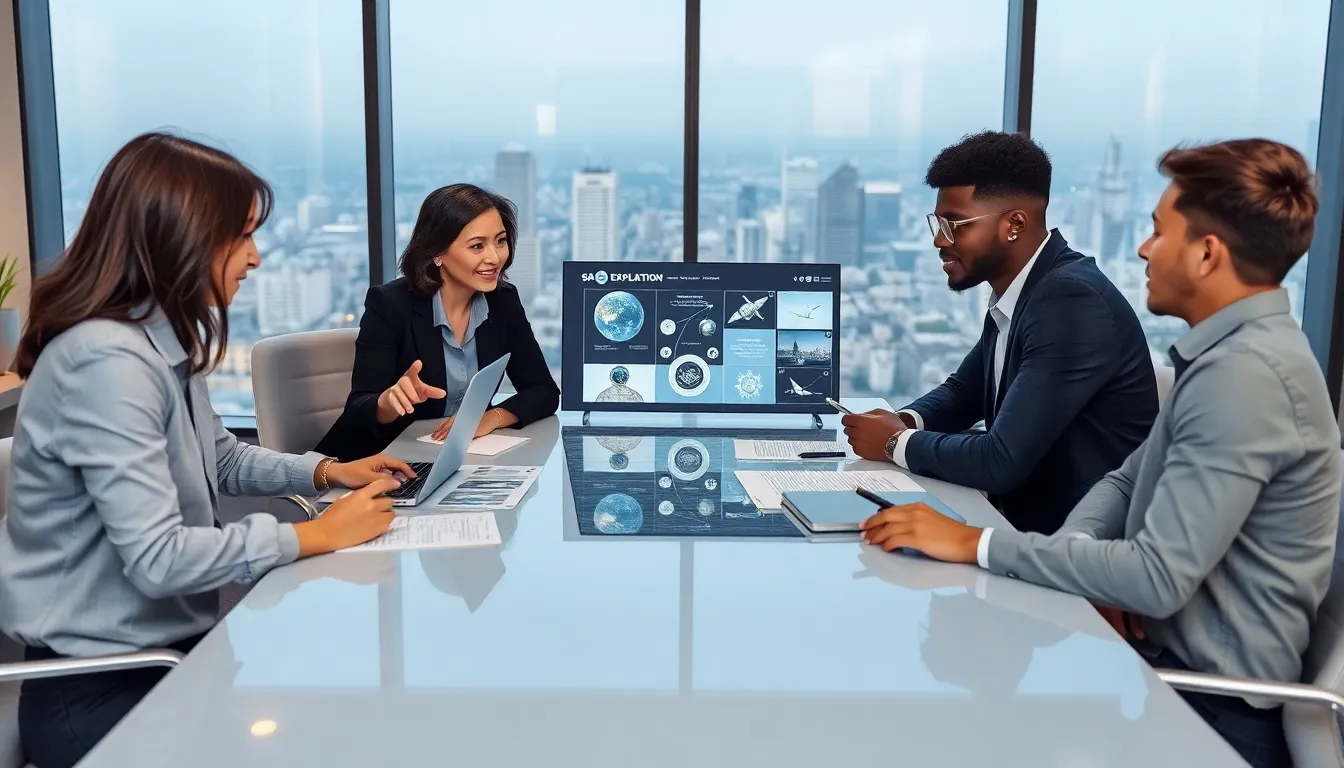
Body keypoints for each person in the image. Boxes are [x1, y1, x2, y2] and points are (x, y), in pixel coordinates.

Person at [859, 138, 1338, 768]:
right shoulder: (1225, 354)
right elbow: (1124, 479)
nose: (1143, 249)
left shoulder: (1247, 376)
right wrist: (1079, 554)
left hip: (1209, 710)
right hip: (1158, 666)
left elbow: (1158, 581)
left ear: (1206, 253)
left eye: (1158, 232)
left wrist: (972, 543)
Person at [0, 132, 411, 768]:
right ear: (182, 238)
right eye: (240, 236)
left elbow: (220, 460)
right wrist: (315, 537)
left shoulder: (158, 341)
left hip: (180, 653)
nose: (255, 258)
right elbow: (159, 559)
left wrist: (329, 471)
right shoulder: (104, 362)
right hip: (102, 688)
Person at [842, 131, 1157, 534]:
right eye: (938, 223)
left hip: (1076, 550)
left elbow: (1000, 460)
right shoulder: (1025, 290)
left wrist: (893, 444)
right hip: (1024, 527)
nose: (940, 240)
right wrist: (904, 419)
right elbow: (964, 392)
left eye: (955, 224)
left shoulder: (1071, 301)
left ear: (1014, 224)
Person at [315, 183, 559, 461]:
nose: (494, 257)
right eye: (477, 246)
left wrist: (492, 417)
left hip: (457, 460)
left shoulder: (502, 302)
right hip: (377, 462)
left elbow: (544, 391)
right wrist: (390, 401)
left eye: (500, 241)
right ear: (437, 253)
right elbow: (358, 411)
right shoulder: (390, 305)